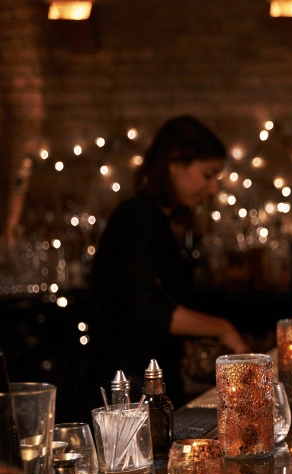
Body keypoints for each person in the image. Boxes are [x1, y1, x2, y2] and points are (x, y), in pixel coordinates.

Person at [76, 116, 249, 421]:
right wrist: (224, 329)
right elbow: (149, 310)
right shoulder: (137, 218)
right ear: (174, 163)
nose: (213, 188)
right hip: (126, 394)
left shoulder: (162, 220)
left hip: (148, 386)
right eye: (208, 175)